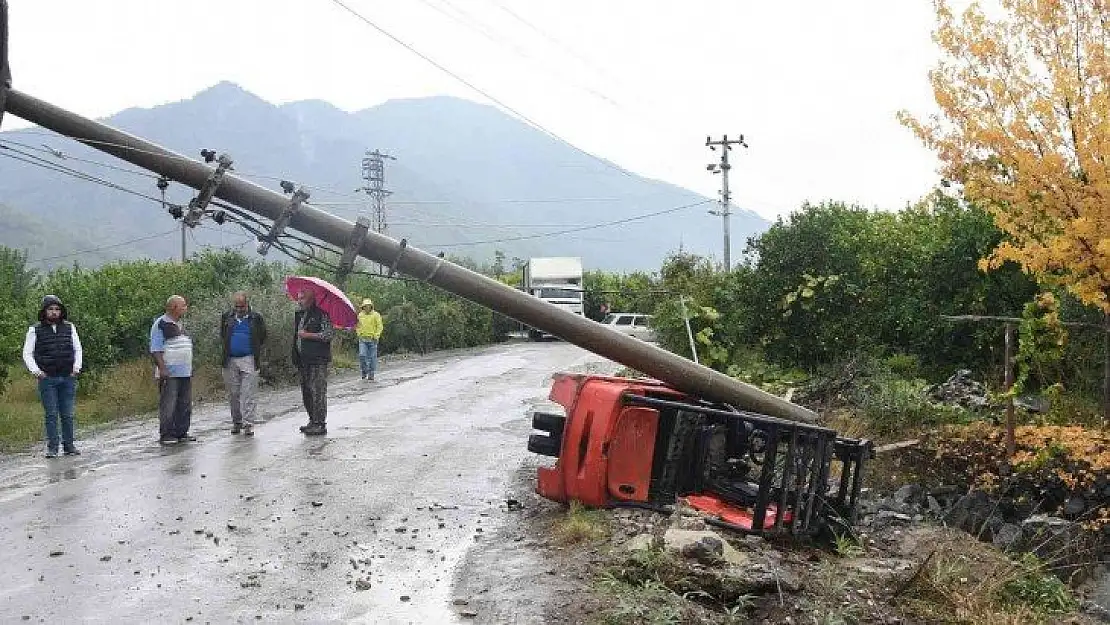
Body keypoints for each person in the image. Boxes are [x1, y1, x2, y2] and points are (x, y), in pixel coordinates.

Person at [21, 295, 83, 458]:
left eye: (57, 309)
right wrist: (36, 371)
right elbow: (27, 353)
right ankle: (52, 447)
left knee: (68, 413)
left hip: (68, 376)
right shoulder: (35, 329)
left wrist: (76, 368)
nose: (54, 312)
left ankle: (69, 446)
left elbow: (77, 348)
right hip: (47, 378)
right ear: (44, 311)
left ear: (61, 311)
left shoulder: (69, 327)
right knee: (51, 414)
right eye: (51, 309)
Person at [220, 292, 267, 436]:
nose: (239, 309)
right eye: (236, 306)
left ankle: (248, 423)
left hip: (249, 359)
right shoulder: (227, 317)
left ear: (247, 304)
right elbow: (223, 335)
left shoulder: (256, 318)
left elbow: (262, 336)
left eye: (242, 306)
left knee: (248, 393)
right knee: (233, 393)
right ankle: (237, 422)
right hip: (230, 360)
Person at [150, 295, 195, 445]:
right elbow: (156, 349)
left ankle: (182, 432)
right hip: (170, 371)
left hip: (185, 371)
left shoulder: (180, 324)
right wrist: (162, 368)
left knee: (185, 403)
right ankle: (167, 434)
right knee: (169, 403)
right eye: (183, 305)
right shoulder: (161, 323)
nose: (185, 308)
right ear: (174, 307)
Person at [292, 290, 333, 436]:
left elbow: (328, 335)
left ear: (311, 299)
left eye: (302, 298)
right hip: (303, 360)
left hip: (318, 359)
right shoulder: (300, 315)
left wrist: (308, 335)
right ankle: (312, 420)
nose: (299, 301)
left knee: (318, 392)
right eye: (299, 298)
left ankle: (320, 423)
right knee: (306, 391)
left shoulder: (322, 314)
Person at [355, 298, 383, 381]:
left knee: (372, 358)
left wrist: (376, 336)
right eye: (365, 306)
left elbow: (380, 326)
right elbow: (357, 326)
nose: (367, 307)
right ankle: (364, 371)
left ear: (371, 306)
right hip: (362, 339)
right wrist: (359, 334)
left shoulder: (376, 315)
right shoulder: (360, 315)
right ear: (363, 307)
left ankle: (371, 374)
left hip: (373, 339)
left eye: (368, 306)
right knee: (362, 355)